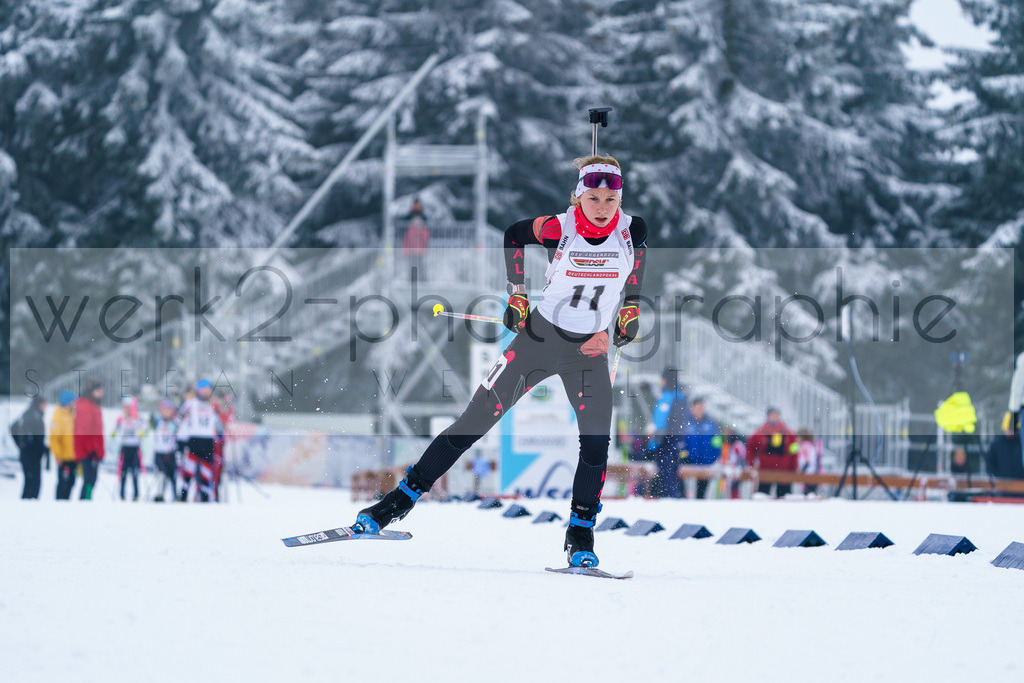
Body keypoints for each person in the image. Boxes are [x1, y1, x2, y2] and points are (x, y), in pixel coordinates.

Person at [350, 154, 648, 568]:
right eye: (593, 198)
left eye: (611, 199)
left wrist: (629, 310)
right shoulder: (556, 228)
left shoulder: (632, 230)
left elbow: (635, 269)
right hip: (538, 341)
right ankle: (399, 500)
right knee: (473, 422)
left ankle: (580, 533)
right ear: (578, 196)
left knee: (596, 444)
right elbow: (512, 234)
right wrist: (518, 293)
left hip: (588, 352)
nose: (602, 208)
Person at [178, 379, 224, 502]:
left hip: (208, 440)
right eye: (202, 390)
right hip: (194, 439)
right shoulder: (190, 404)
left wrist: (221, 432)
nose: (205, 392)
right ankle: (183, 496)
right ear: (198, 390)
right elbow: (179, 418)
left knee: (206, 470)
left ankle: (204, 497)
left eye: (207, 390)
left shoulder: (212, 405)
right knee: (189, 469)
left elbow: (218, 423)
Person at [649, 367, 689, 498]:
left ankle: (670, 500)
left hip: (666, 443)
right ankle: (673, 498)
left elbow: (662, 424)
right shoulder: (680, 397)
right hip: (674, 443)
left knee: (667, 475)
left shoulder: (669, 398)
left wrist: (655, 443)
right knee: (671, 474)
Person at [746, 407, 799, 497]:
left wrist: (793, 468)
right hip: (765, 471)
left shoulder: (789, 433)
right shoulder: (759, 433)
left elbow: (794, 451)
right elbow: (750, 448)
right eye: (772, 415)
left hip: (784, 471)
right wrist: (751, 464)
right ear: (768, 416)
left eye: (776, 415)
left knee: (785, 499)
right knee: (762, 497)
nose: (774, 417)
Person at [681, 397, 721, 499]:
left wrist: (713, 458)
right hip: (689, 464)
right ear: (692, 408)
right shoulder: (685, 424)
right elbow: (680, 443)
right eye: (697, 407)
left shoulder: (711, 425)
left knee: (701, 496)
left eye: (701, 407)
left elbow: (717, 444)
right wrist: (684, 456)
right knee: (686, 493)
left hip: (706, 465)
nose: (700, 410)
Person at [73, 380, 105, 500]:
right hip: (88, 451)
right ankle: (85, 501)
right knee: (89, 478)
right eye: (98, 390)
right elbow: (84, 430)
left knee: (91, 479)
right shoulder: (86, 406)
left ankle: (87, 499)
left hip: (93, 449)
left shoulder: (93, 405)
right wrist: (91, 449)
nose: (101, 393)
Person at [11, 395, 48, 499]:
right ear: (39, 404)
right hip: (30, 455)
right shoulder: (32, 415)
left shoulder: (31, 414)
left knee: (31, 482)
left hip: (30, 454)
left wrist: (20, 443)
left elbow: (14, 427)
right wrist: (22, 444)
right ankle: (28, 507)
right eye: (44, 404)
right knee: (33, 483)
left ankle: (28, 506)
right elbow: (15, 428)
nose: (45, 407)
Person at [113, 396, 145, 501]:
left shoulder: (138, 418)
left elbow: (145, 429)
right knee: (123, 473)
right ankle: (122, 494)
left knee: (135, 473)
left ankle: (136, 495)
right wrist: (114, 432)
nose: (125, 409)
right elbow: (115, 430)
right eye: (124, 407)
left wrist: (142, 432)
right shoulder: (121, 419)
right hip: (125, 449)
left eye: (127, 407)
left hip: (135, 449)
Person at [50, 390, 77, 500]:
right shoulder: (58, 417)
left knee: (71, 482)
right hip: (64, 457)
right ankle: (60, 503)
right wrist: (58, 455)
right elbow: (54, 439)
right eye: (73, 402)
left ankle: (66, 504)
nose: (74, 404)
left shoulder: (71, 416)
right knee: (63, 483)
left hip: (73, 457)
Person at [151, 399, 180, 502]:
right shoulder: (158, 421)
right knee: (161, 473)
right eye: (165, 410)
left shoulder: (175, 422)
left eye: (169, 410)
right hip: (159, 452)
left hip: (170, 453)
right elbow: (150, 424)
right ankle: (159, 494)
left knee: (172, 475)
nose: (167, 412)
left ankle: (175, 495)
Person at [402, 198, 430, 284]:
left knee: (421, 267)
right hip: (412, 251)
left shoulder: (423, 229)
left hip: (420, 251)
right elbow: (406, 240)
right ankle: (411, 281)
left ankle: (423, 281)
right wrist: (406, 251)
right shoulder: (410, 229)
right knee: (412, 267)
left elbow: (426, 238)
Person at [796, 427, 823, 495]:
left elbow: (806, 461)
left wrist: (802, 471)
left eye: (797, 437)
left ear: (802, 437)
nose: (796, 439)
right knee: (811, 494)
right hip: (814, 473)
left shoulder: (804, 446)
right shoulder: (812, 446)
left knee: (808, 494)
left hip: (807, 474)